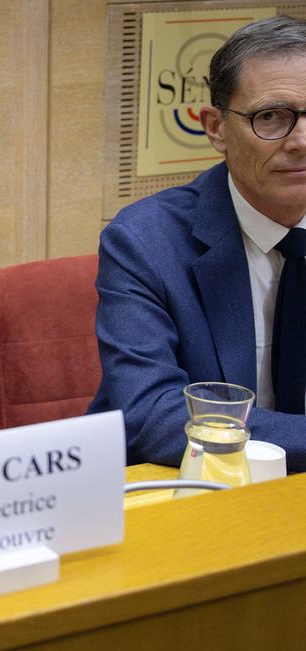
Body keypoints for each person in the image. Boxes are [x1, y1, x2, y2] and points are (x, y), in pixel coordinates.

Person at [89, 15, 306, 473]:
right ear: (215, 128)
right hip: (186, 490)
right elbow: (155, 416)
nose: (301, 141)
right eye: (272, 117)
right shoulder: (144, 242)